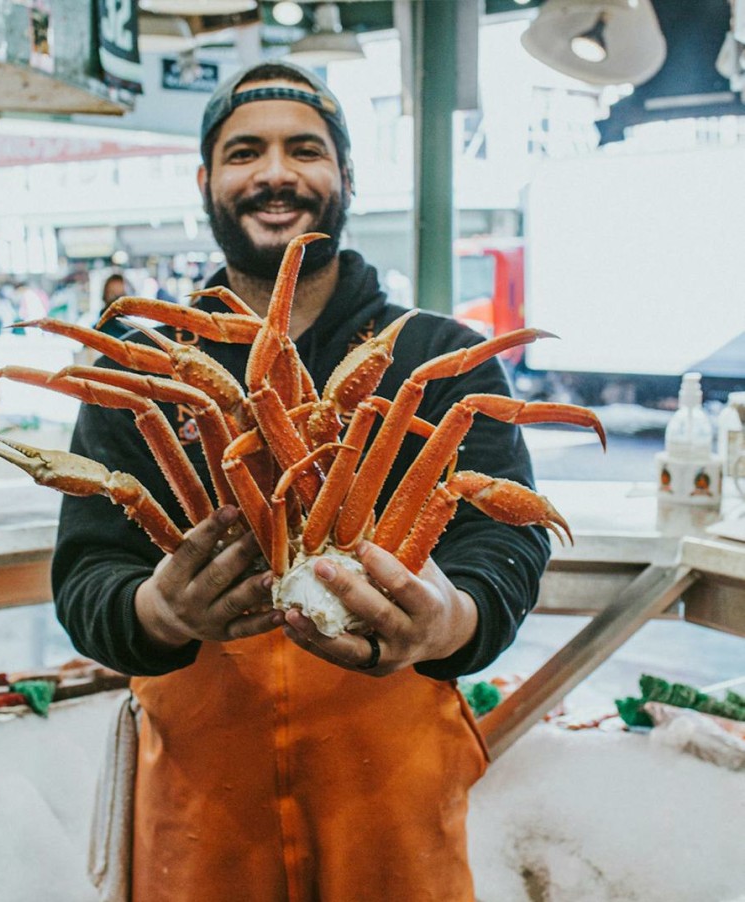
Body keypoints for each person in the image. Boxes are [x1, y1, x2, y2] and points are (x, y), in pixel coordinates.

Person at [53, 61, 550, 902]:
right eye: (246, 151)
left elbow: (503, 546)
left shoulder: (436, 355)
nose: (276, 172)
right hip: (205, 806)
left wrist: (447, 620)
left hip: (390, 793)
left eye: (304, 150)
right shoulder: (144, 370)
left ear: (345, 176)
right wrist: (157, 609)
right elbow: (86, 574)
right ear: (207, 179)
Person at [98, 271, 134, 338]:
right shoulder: (99, 329)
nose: (117, 301)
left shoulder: (130, 326)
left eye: (121, 294)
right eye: (113, 294)